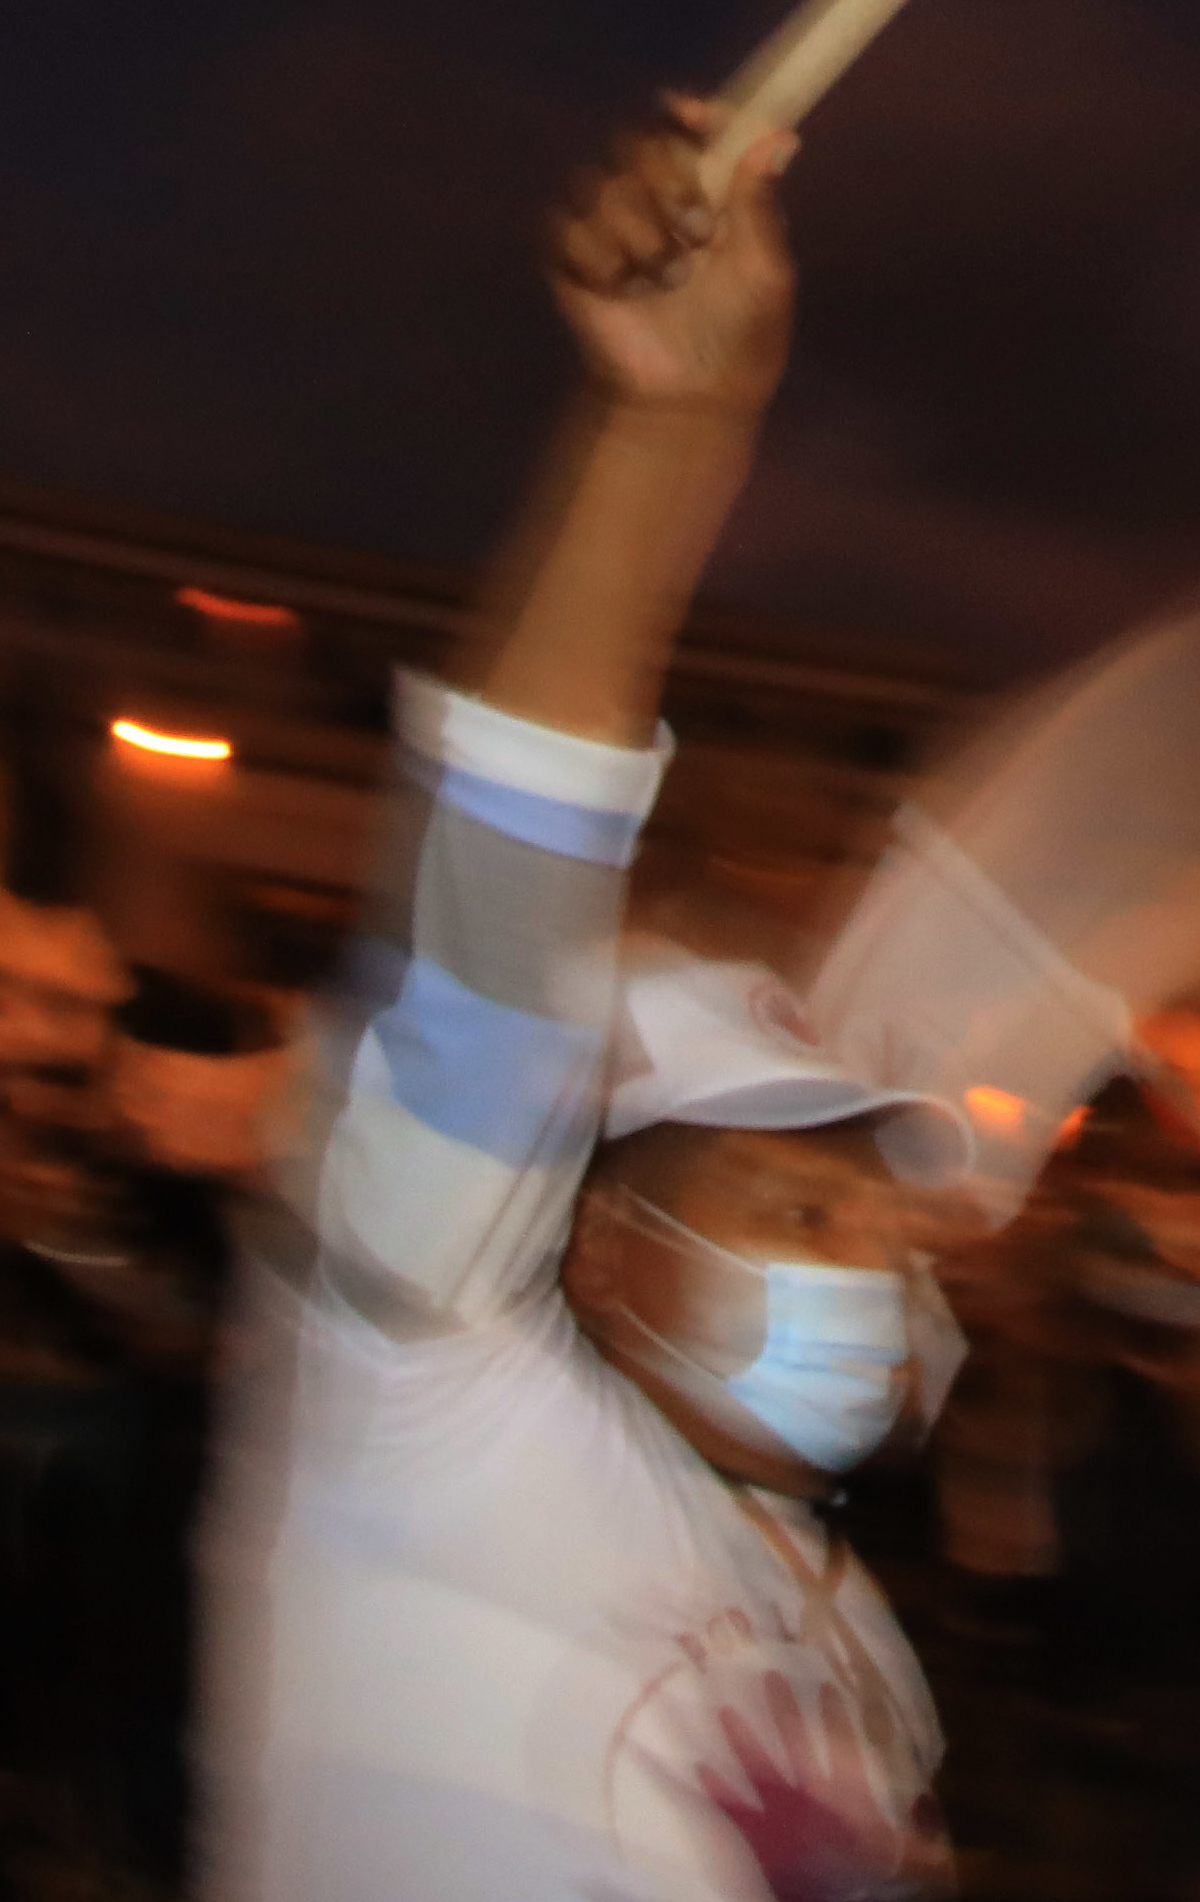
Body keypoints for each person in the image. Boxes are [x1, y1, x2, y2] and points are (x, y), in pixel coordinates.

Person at [199, 105, 980, 1901]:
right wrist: (668, 427)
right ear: (606, 1245)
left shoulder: (851, 1624)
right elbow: (493, 956)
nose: (868, 1262)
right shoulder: (439, 1403)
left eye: (870, 1209)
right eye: (794, 1201)